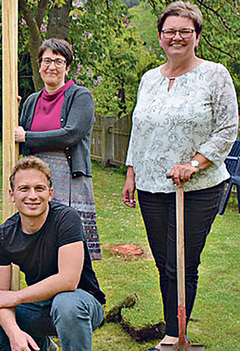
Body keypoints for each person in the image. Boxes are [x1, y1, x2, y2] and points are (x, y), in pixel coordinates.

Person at [121, 2, 238, 350]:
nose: (177, 37)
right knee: (163, 263)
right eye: (170, 31)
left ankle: (175, 336)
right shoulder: (149, 79)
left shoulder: (215, 74)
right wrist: (131, 171)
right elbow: (138, 130)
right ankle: (176, 327)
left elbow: (228, 128)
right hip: (151, 185)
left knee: (181, 262)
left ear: (197, 37)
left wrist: (196, 162)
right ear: (160, 37)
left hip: (197, 187)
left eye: (185, 31)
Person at [0, 156, 105, 351]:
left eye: (39, 188)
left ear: (50, 193)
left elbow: (68, 280)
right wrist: (14, 333)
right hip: (38, 304)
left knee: (66, 304)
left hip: (81, 303)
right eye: (24, 189)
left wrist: (17, 297)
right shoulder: (3, 236)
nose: (32, 196)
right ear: (12, 194)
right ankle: (42, 347)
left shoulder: (67, 218)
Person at [15, 38, 101, 260]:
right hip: (37, 180)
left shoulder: (80, 96)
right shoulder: (31, 101)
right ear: (39, 65)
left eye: (58, 61)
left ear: (67, 66)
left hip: (68, 177)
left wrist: (28, 136)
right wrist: (12, 111)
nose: (51, 66)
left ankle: (78, 291)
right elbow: (18, 138)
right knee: (40, 243)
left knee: (69, 244)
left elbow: (71, 134)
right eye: (46, 61)